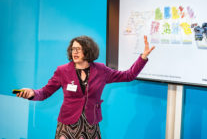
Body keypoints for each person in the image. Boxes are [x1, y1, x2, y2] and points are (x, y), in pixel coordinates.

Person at [16, 35, 155, 138]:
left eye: (78, 49)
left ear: (88, 51)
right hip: (67, 125)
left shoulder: (101, 70)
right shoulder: (62, 70)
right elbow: (45, 92)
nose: (74, 52)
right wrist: (32, 93)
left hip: (90, 124)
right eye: (72, 49)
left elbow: (128, 75)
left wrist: (142, 57)